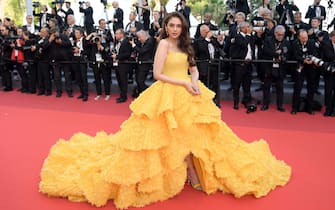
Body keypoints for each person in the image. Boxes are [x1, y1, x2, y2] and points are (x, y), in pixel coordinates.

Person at [39, 12, 291, 209]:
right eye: (171, 26)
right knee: (167, 136)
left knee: (195, 133)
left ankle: (193, 169)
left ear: (182, 28)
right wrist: (182, 82)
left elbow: (193, 69)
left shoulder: (186, 46)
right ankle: (188, 171)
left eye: (177, 26)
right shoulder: (163, 46)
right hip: (167, 93)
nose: (174, 29)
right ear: (166, 28)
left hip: (189, 93)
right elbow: (158, 74)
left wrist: (193, 81)